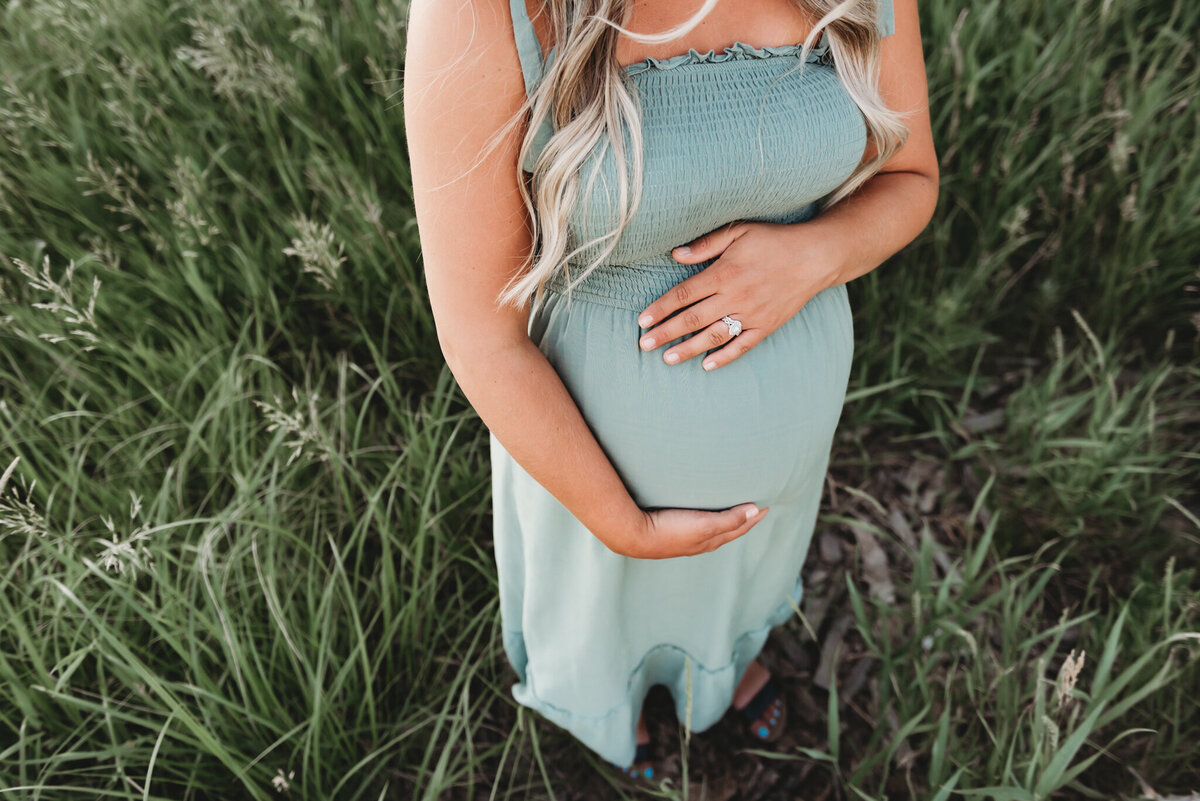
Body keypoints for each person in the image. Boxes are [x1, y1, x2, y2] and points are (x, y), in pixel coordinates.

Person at [403, 0, 937, 781]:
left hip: (788, 443)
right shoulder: (481, 14)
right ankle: (610, 706)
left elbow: (912, 178)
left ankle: (718, 665)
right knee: (602, 618)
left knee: (743, 582)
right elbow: (482, 336)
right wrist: (623, 522)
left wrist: (814, 254)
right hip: (592, 469)